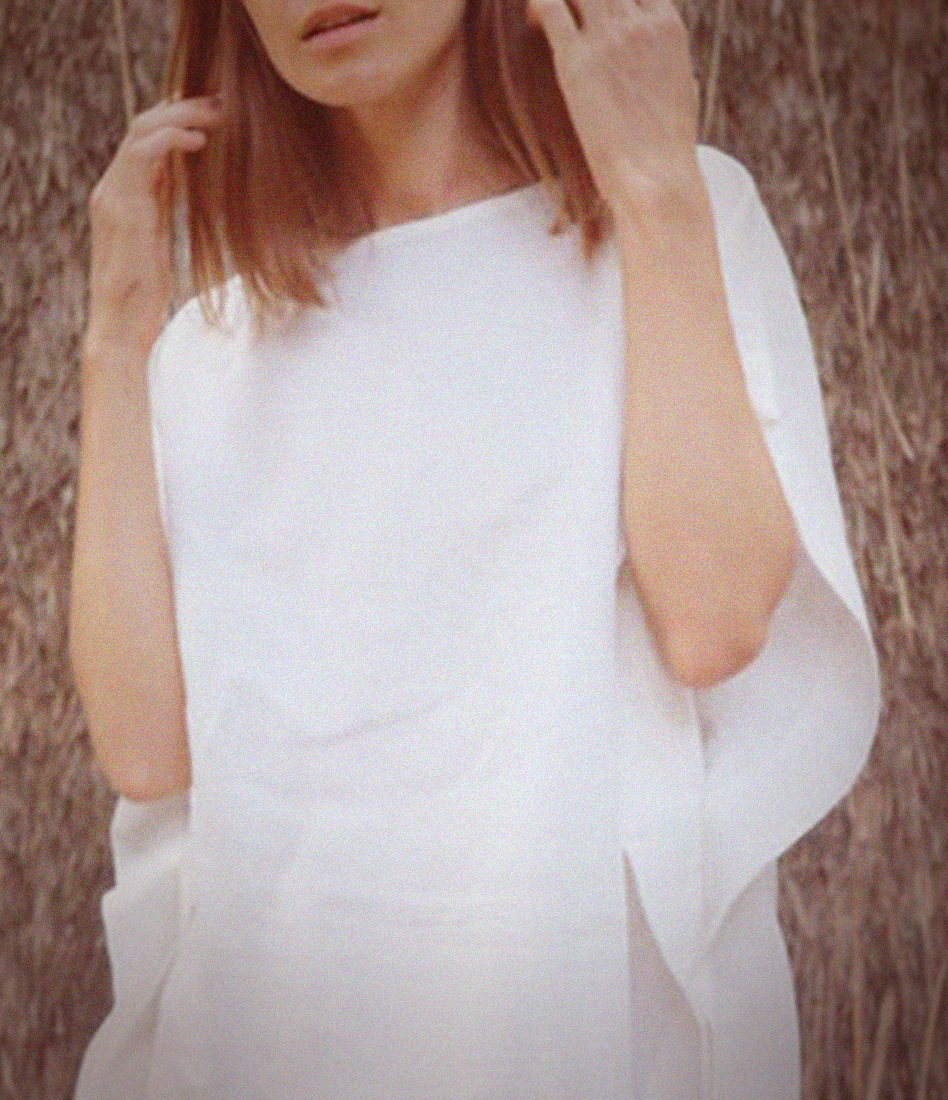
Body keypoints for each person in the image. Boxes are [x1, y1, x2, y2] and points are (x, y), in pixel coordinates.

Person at [68, 0, 880, 1097]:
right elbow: (145, 752)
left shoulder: (663, 218)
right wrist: (112, 339)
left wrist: (655, 191)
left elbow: (716, 619)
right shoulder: (202, 351)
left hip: (574, 1030)